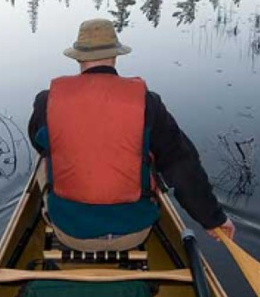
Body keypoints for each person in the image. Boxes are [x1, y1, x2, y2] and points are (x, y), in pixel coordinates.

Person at [28, 18, 235, 251]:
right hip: (135, 232)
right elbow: (183, 166)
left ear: (78, 57)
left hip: (71, 232)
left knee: (45, 158)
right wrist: (214, 219)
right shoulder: (148, 103)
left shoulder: (47, 101)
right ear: (116, 55)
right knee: (157, 154)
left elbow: (39, 143)